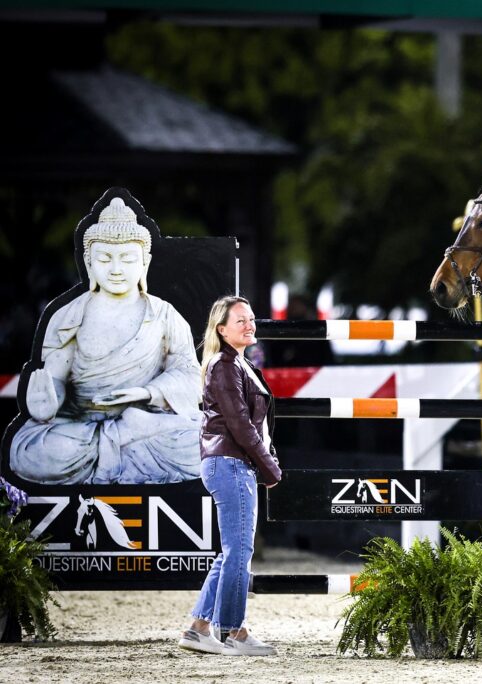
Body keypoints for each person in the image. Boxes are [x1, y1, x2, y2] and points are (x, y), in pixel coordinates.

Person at [10, 197, 201, 484]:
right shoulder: (69, 317)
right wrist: (47, 403)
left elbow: (192, 378)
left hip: (148, 418)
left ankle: (131, 432)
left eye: (127, 259)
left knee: (204, 442)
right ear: (89, 263)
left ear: (144, 263)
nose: (115, 269)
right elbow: (55, 380)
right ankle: (122, 435)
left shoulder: (164, 315)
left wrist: (146, 392)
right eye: (104, 259)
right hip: (81, 426)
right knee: (30, 453)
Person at [178, 295, 282, 657]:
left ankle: (198, 629)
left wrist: (264, 460)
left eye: (251, 318)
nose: (250, 324)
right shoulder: (225, 365)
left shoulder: (237, 363)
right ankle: (234, 632)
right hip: (230, 463)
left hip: (230, 463)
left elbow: (251, 424)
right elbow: (239, 425)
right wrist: (269, 467)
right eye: (241, 320)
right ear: (222, 330)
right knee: (239, 551)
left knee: (230, 553)